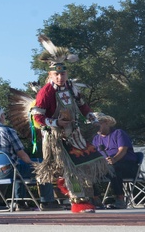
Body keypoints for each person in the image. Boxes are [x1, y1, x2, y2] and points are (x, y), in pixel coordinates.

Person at [31, 36, 109, 213]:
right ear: (50, 75)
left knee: (90, 160)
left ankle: (80, 193)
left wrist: (91, 117)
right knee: (70, 167)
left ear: (67, 73)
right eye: (56, 74)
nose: (60, 77)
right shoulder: (45, 92)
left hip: (74, 133)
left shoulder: (72, 87)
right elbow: (37, 118)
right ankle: (79, 201)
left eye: (63, 73)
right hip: (55, 137)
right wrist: (56, 122)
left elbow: (83, 105)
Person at [0, 105, 36, 205]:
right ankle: (47, 202)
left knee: (18, 169)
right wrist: (34, 164)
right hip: (7, 172)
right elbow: (22, 154)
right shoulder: (7, 131)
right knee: (42, 171)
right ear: (2, 116)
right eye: (4, 115)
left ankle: (21, 203)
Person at [92, 114, 133, 209]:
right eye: (93, 126)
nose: (95, 128)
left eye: (98, 124)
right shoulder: (96, 139)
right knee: (89, 171)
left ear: (106, 122)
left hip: (126, 165)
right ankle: (95, 198)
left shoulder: (119, 133)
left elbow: (123, 150)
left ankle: (120, 198)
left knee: (113, 168)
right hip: (105, 166)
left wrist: (114, 159)